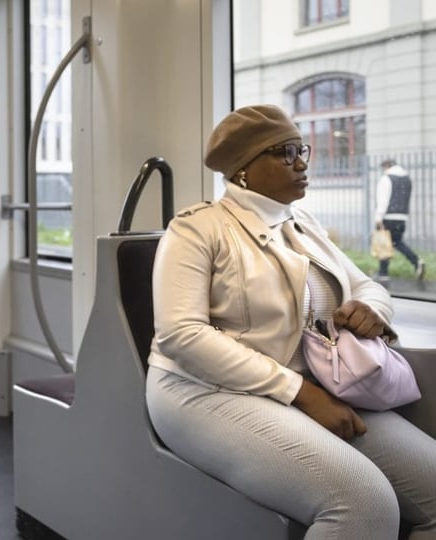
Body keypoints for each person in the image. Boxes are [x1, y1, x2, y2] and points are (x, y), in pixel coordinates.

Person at [145, 104, 436, 538]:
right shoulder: (196, 230)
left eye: (303, 149)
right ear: (243, 168)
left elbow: (366, 286)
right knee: (364, 504)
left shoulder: (303, 223)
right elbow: (181, 335)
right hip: (202, 389)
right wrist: (299, 392)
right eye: (283, 152)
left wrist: (374, 310)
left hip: (316, 382)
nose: (300, 162)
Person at [375, 158, 426, 281]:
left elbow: (383, 200)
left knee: (384, 243)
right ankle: (416, 261)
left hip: (388, 216)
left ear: (387, 166)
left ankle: (383, 274)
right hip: (401, 217)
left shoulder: (386, 178)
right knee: (397, 242)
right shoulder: (406, 179)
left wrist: (378, 217)